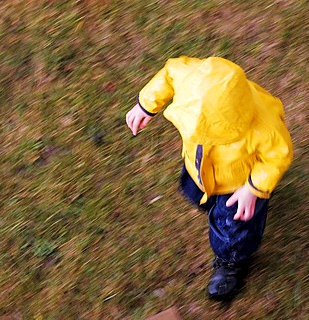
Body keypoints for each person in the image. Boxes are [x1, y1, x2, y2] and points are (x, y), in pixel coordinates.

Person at [125, 56, 293, 300]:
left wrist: (253, 188)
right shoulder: (190, 76)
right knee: (196, 193)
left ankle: (232, 261)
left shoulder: (263, 126)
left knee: (233, 228)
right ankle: (214, 206)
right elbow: (169, 74)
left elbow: (278, 156)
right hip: (200, 165)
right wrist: (146, 104)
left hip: (238, 185)